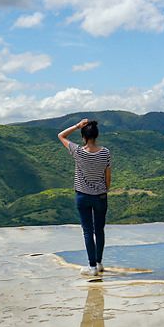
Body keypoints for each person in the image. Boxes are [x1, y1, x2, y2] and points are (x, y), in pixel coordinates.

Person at [58, 118, 111, 276]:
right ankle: (100, 263)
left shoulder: (78, 151)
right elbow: (108, 176)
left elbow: (61, 135)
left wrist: (77, 125)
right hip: (101, 195)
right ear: (97, 135)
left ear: (84, 136)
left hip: (83, 196)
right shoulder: (105, 152)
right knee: (99, 230)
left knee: (88, 231)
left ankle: (92, 267)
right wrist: (104, 189)